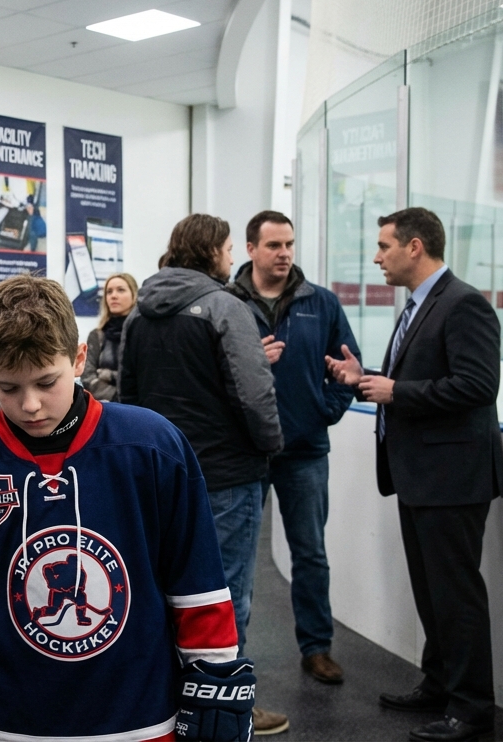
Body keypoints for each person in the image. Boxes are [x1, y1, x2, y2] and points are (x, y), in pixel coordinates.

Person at [0, 275, 253, 742]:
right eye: (7, 387)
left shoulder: (152, 447)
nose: (30, 405)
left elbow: (196, 581)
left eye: (46, 382)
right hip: (12, 722)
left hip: (142, 719)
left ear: (78, 358)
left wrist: (213, 676)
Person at [327, 207, 503, 742]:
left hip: (453, 477)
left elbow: (477, 386)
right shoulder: (420, 307)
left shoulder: (464, 304)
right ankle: (440, 683)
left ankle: (472, 708)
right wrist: (368, 380)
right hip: (422, 474)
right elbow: (426, 381)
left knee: (455, 595)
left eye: (384, 246)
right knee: (433, 593)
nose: (376, 256)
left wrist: (396, 390)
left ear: (415, 246)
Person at [119, 213, 289, 735]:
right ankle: (223, 707)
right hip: (226, 475)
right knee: (225, 595)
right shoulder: (225, 306)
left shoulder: (137, 316)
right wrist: (271, 446)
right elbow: (254, 393)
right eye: (228, 247)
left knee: (164, 591)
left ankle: (168, 697)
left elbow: (129, 398)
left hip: (159, 478)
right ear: (211, 251)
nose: (231, 256)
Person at [228, 211, 359, 685]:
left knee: (310, 553)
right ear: (251, 249)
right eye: (273, 246)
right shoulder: (228, 303)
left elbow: (349, 366)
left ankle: (317, 647)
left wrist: (327, 409)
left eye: (289, 244)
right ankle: (231, 654)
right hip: (246, 451)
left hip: (304, 450)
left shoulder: (320, 303)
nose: (284, 253)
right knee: (238, 560)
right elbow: (212, 374)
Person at [80, 272, 138, 402]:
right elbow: (88, 377)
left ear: (134, 295)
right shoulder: (97, 335)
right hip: (107, 406)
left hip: (138, 407)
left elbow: (143, 378)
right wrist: (117, 397)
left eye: (121, 290)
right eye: (109, 292)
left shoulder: (141, 333)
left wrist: (108, 375)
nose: (114, 296)